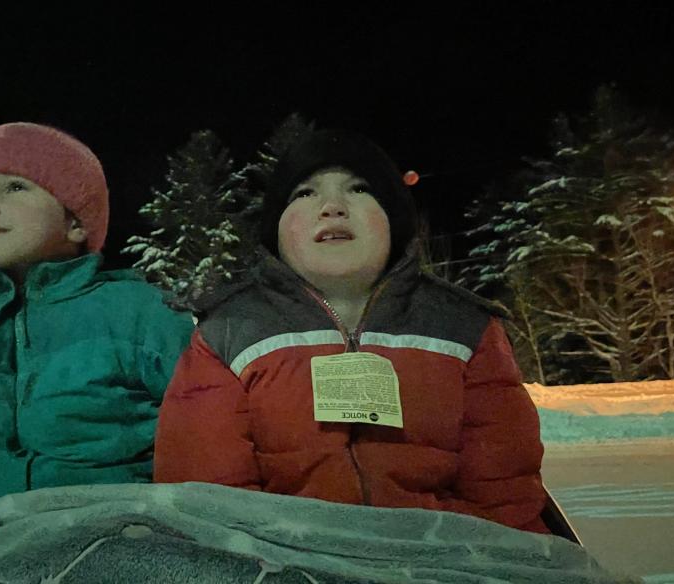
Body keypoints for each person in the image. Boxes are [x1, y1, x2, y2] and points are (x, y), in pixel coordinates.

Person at [154, 129, 548, 533]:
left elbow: (505, 504)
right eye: (304, 193)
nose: (332, 207)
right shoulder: (227, 335)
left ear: (394, 218)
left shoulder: (466, 328)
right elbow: (207, 510)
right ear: (276, 229)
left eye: (359, 189)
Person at [0, 122, 194, 503]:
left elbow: (210, 434)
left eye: (15, 187)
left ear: (75, 223)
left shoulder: (140, 312)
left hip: (114, 527)